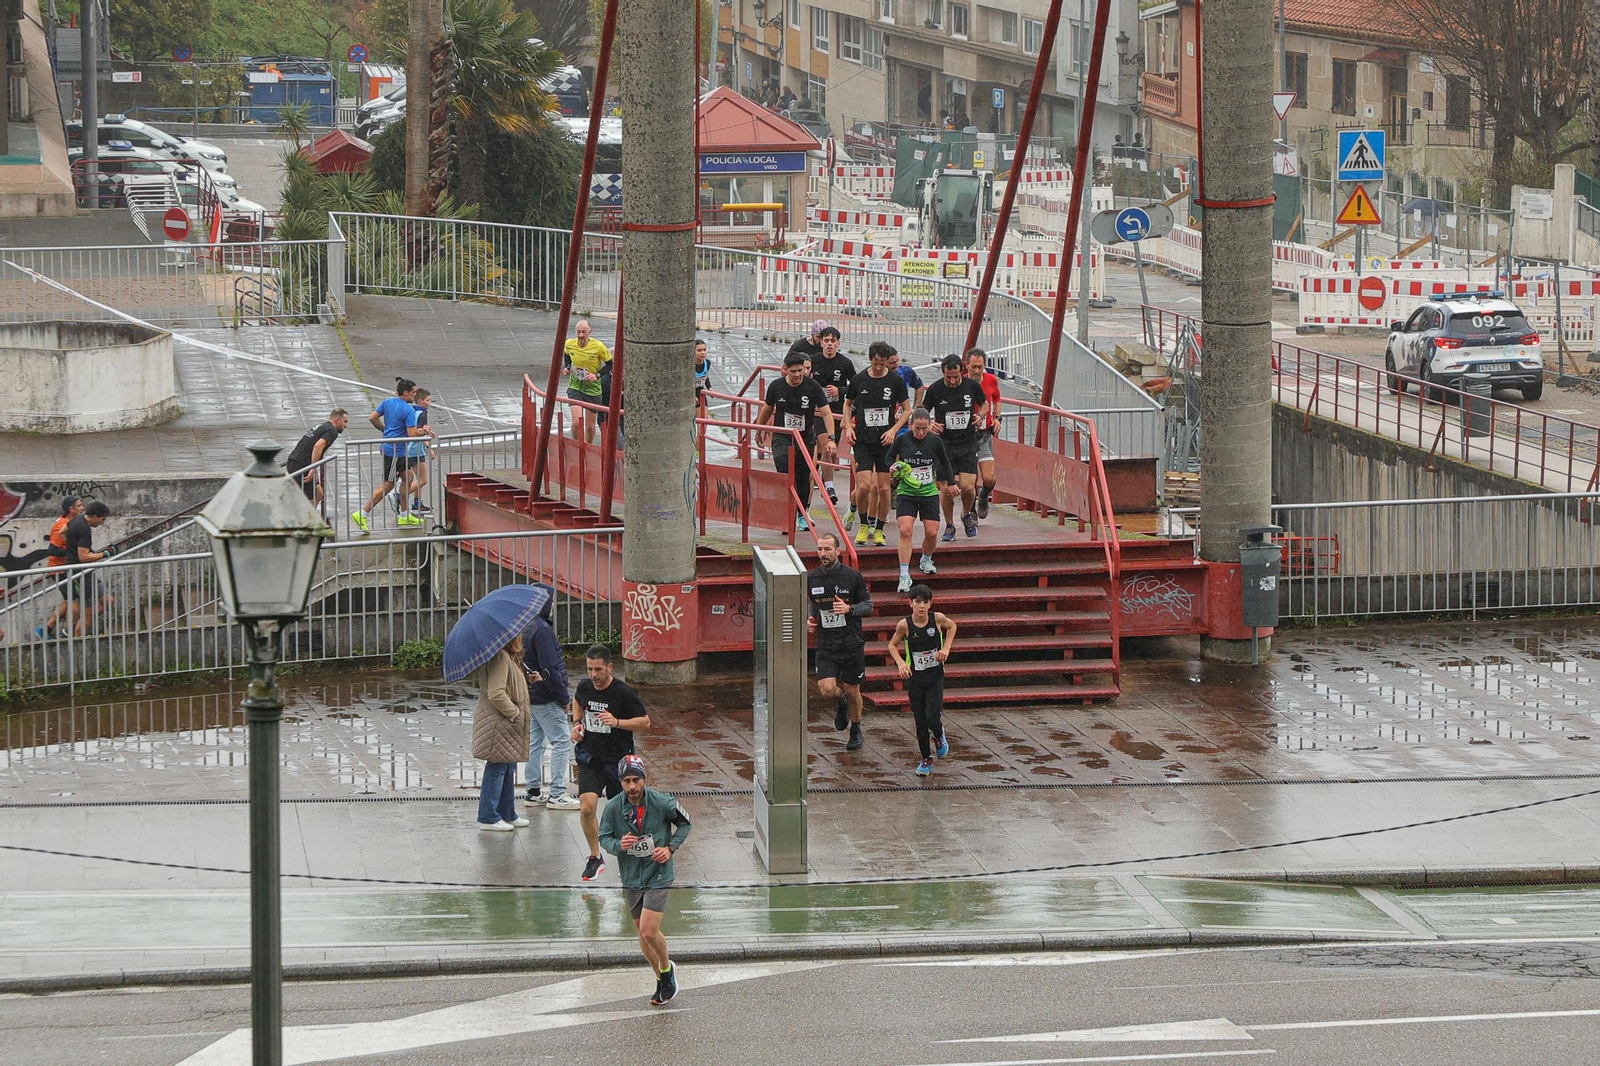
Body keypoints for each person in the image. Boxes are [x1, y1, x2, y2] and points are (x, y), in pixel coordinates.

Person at [597, 754, 692, 1006]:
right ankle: (662, 979)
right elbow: (603, 838)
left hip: (658, 873)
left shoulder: (662, 802)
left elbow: (685, 824)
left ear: (644, 779)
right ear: (621, 782)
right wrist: (619, 844)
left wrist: (670, 848)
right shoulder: (613, 808)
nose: (632, 787)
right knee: (642, 933)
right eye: (627, 781)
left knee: (649, 931)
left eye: (636, 780)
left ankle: (666, 969)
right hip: (630, 876)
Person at [570, 644, 652, 881]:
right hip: (591, 757)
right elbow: (577, 700)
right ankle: (595, 857)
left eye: (598, 669)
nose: (594, 675)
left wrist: (616, 722)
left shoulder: (624, 693)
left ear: (609, 667)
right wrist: (577, 724)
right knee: (587, 807)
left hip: (618, 761)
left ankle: (635, 856)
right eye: (589, 669)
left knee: (624, 814)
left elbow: (645, 723)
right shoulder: (585, 686)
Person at [807, 532, 873, 750]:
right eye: (819, 549)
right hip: (826, 644)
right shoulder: (812, 578)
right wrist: (810, 620)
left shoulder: (852, 576)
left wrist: (849, 609)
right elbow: (813, 603)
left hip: (851, 642)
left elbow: (868, 606)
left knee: (854, 690)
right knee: (826, 690)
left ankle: (855, 729)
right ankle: (840, 701)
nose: (823, 554)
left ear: (838, 551)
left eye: (827, 549)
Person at [755, 352, 835, 533]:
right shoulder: (776, 386)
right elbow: (767, 409)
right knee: (784, 473)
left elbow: (826, 413)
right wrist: (758, 429)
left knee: (802, 476)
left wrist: (831, 438)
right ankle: (787, 515)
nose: (798, 375)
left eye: (801, 370)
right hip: (782, 436)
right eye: (793, 371)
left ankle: (802, 514)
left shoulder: (812, 386)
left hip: (805, 437)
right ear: (785, 370)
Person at [842, 340, 910, 548]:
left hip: (885, 441)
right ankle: (863, 525)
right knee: (863, 487)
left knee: (883, 488)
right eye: (876, 363)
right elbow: (847, 404)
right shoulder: (859, 380)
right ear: (870, 359)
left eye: (883, 363)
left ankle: (879, 529)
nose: (879, 367)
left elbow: (907, 410)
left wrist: (893, 430)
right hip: (862, 440)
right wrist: (849, 427)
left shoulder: (895, 381)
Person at [887, 584, 957, 776]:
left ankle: (938, 734)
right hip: (915, 678)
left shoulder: (938, 619)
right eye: (917, 602)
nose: (921, 606)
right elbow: (892, 645)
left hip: (934, 676)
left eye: (925, 602)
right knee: (919, 720)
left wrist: (946, 649)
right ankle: (926, 759)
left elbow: (953, 627)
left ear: (930, 604)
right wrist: (901, 664)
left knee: (932, 716)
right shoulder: (904, 625)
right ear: (910, 603)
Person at [887, 408, 958, 591]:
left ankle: (926, 559)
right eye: (917, 428)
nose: (920, 432)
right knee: (905, 530)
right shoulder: (902, 440)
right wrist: (894, 467)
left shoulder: (935, 441)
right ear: (910, 425)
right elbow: (888, 458)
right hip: (907, 492)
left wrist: (951, 483)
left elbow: (945, 462)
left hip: (928, 492)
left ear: (929, 426)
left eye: (924, 429)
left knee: (932, 532)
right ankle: (904, 574)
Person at [922, 354, 988, 541]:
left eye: (955, 377)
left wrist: (980, 416)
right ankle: (950, 525)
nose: (951, 381)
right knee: (946, 490)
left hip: (967, 443)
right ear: (943, 373)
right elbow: (923, 411)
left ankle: (966, 514)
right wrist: (930, 425)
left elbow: (984, 404)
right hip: (944, 445)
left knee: (968, 488)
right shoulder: (935, 389)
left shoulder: (971, 386)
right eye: (948, 377)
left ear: (962, 372)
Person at [523, 594, 580, 810]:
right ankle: (557, 793)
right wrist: (563, 697)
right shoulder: (543, 630)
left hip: (532, 695)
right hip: (546, 696)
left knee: (535, 742)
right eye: (552, 601)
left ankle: (533, 790)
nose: (554, 605)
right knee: (562, 741)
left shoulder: (526, 626)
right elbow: (551, 668)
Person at [352, 378, 424, 534]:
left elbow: (372, 417)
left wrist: (384, 430)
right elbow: (412, 434)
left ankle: (404, 515)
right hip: (395, 452)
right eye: (413, 392)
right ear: (406, 393)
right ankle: (362, 513)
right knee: (388, 484)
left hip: (395, 449)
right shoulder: (408, 410)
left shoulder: (387, 402)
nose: (415, 394)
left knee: (408, 478)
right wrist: (424, 431)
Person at [473, 635, 529, 832]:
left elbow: (509, 685)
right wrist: (514, 712)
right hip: (499, 722)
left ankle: (507, 812)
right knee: (497, 767)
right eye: (518, 635)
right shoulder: (500, 657)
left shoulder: (507, 657)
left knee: (507, 767)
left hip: (505, 724)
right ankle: (488, 816)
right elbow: (496, 692)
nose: (521, 638)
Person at [809, 327, 855, 516]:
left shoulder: (845, 363)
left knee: (829, 449)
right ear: (821, 342)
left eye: (832, 340)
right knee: (825, 444)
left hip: (835, 412)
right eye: (826, 340)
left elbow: (856, 387)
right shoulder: (812, 361)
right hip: (817, 413)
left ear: (838, 343)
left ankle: (820, 478)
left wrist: (840, 391)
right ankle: (829, 486)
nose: (829, 344)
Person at [63, 500, 115, 638]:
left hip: (87, 571)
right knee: (89, 613)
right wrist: (106, 553)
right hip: (79, 573)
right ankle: (75, 641)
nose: (102, 523)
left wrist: (70, 548)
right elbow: (84, 557)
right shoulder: (83, 528)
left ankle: (71, 630)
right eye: (102, 519)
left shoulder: (78, 518)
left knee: (108, 601)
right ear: (95, 516)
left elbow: (62, 532)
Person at [35, 496, 84, 640]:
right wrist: (74, 554)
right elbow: (52, 550)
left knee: (70, 600)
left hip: (65, 569)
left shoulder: (70, 522)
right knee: (75, 602)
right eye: (79, 505)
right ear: (71, 509)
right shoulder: (60, 525)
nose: (82, 508)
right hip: (60, 569)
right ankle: (68, 634)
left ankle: (47, 629)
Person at [964, 349, 1002, 519]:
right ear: (967, 365)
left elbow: (997, 399)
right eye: (973, 367)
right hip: (967, 436)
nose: (977, 371)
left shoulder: (991, 380)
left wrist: (997, 418)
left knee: (989, 478)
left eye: (980, 367)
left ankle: (984, 497)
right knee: (969, 480)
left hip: (985, 434)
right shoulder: (961, 381)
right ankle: (970, 511)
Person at [285, 409, 348, 506]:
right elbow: (318, 446)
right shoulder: (332, 432)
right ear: (337, 420)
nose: (346, 425)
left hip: (295, 461)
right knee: (310, 498)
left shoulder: (322, 426)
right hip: (301, 464)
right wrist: (313, 468)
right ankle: (306, 520)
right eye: (345, 421)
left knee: (318, 494)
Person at [564, 320, 612, 444]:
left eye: (584, 332)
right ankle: (576, 446)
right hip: (576, 386)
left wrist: (597, 375)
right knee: (576, 422)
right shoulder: (569, 344)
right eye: (578, 332)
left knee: (590, 427)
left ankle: (587, 446)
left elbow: (610, 364)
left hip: (593, 389)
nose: (580, 335)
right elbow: (567, 355)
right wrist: (568, 367)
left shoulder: (599, 346)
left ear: (590, 332)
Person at [398, 389, 437, 516]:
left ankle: (417, 504)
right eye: (428, 400)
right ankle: (400, 495)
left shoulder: (412, 411)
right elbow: (420, 432)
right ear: (420, 401)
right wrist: (429, 448)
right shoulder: (422, 414)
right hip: (415, 450)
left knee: (419, 478)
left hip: (409, 449)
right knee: (423, 480)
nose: (430, 403)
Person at [694, 338, 712, 409]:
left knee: (704, 416)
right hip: (690, 393)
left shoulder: (707, 363)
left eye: (704, 350)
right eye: (699, 350)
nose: (702, 352)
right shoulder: (689, 365)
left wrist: (709, 388)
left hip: (701, 392)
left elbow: (705, 376)